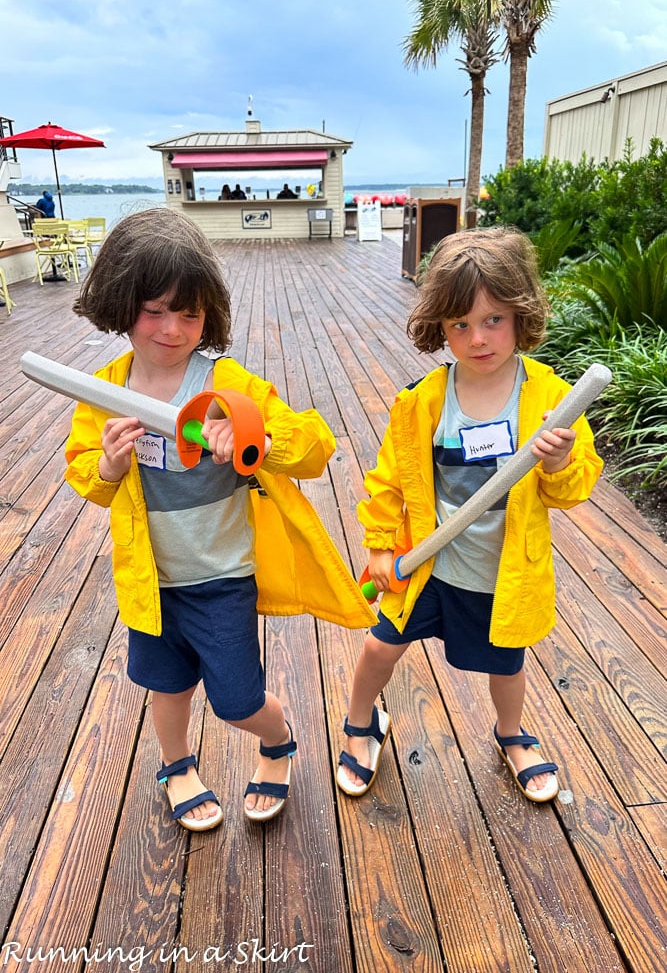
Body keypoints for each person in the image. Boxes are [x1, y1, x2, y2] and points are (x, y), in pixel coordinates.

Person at [65, 208, 375, 833]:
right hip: (151, 580)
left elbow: (315, 446)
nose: (172, 328)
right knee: (168, 685)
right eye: (154, 309)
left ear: (210, 315)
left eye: (190, 312)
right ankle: (176, 765)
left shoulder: (226, 382)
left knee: (236, 698)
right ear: (122, 303)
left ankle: (277, 736)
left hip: (221, 577)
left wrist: (250, 432)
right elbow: (87, 480)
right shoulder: (103, 392)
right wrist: (108, 465)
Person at [337, 227, 603, 805]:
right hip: (430, 563)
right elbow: (386, 480)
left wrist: (557, 463)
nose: (477, 338)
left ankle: (512, 734)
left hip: (500, 570)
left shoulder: (550, 399)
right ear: (440, 326)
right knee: (380, 647)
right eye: (460, 325)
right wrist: (382, 546)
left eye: (493, 321)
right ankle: (362, 724)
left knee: (506, 665)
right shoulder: (425, 400)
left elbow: (575, 487)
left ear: (521, 315)